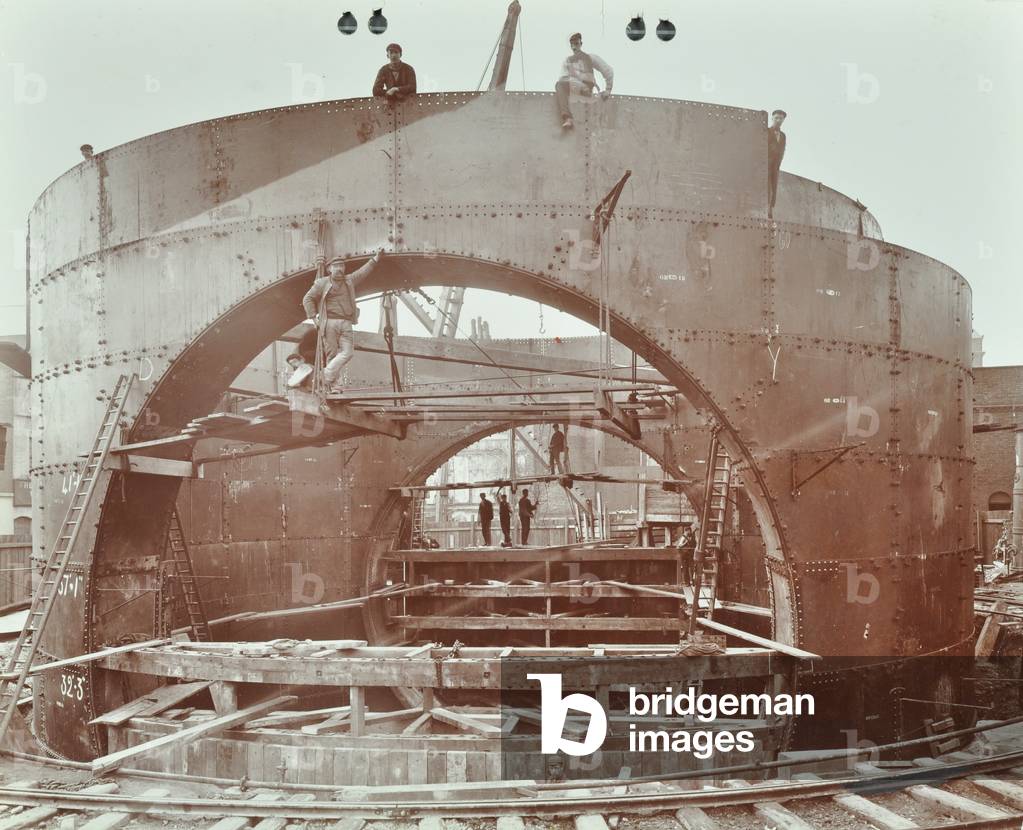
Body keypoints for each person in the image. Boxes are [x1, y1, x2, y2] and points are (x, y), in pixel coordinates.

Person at [301, 250, 383, 394]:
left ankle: (324, 375)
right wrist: (314, 318)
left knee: (348, 352)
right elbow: (307, 298)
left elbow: (362, 272)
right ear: (329, 269)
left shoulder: (349, 280)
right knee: (332, 355)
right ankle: (336, 387)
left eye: (342, 266)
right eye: (336, 266)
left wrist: (375, 259)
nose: (339, 269)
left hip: (346, 322)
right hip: (329, 323)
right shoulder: (322, 283)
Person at [555, 33, 613, 130]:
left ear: (581, 44)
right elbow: (562, 79)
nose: (574, 47)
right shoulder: (568, 61)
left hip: (587, 89)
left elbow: (608, 71)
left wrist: (608, 90)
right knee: (559, 85)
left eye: (576, 44)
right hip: (574, 87)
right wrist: (577, 83)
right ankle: (567, 118)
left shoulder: (590, 58)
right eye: (572, 44)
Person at [767, 109, 787, 216]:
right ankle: (766, 209)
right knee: (766, 187)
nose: (778, 120)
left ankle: (771, 210)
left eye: (781, 118)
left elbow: (782, 150)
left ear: (783, 120)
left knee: (774, 188)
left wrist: (779, 163)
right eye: (776, 118)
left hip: (776, 165)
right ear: (772, 118)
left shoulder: (783, 135)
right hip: (766, 164)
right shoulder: (766, 131)